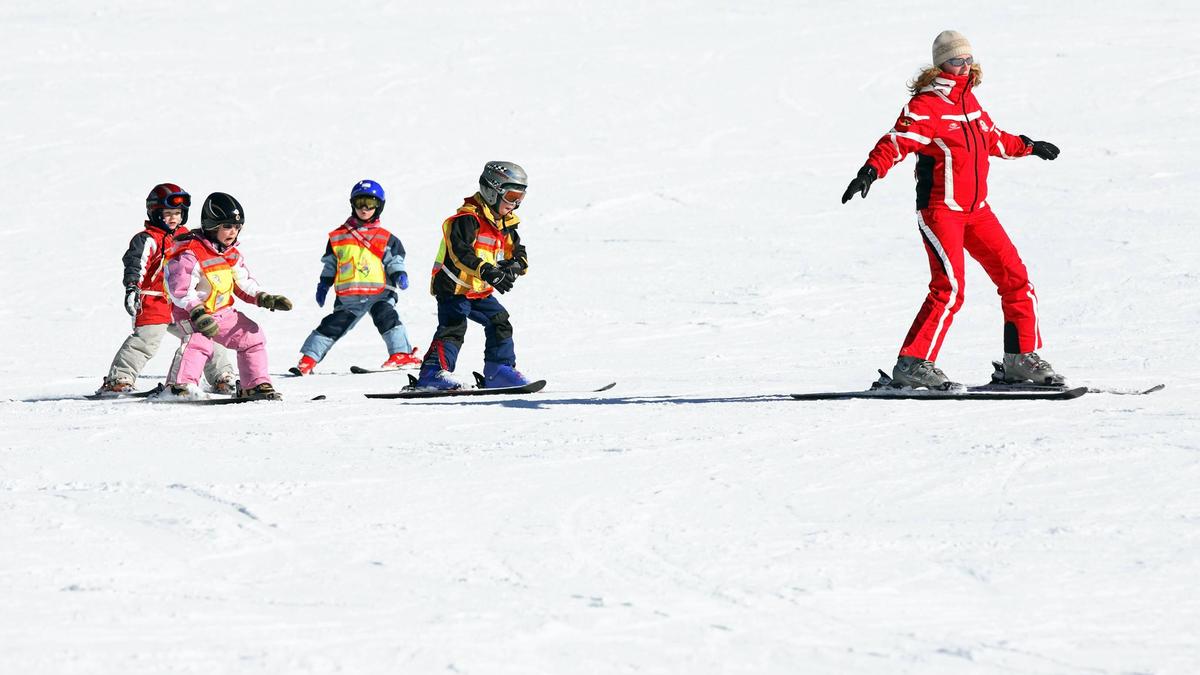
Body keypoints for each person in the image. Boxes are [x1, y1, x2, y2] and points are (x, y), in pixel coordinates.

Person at [841, 30, 1064, 389]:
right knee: (949, 288)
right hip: (940, 211)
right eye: (956, 60)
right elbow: (896, 142)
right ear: (940, 64)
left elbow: (993, 139)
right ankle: (912, 364)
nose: (964, 66)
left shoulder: (969, 103)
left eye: (968, 59)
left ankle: (1020, 359)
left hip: (977, 211)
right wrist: (869, 172)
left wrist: (1029, 145)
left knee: (1015, 277)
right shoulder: (926, 105)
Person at [97, 183, 237, 395]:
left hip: (180, 300)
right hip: (155, 300)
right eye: (168, 214)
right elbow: (136, 263)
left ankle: (222, 377)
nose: (174, 218)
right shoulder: (148, 238)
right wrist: (132, 287)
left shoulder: (188, 237)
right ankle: (119, 379)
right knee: (147, 340)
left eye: (178, 214)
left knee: (205, 333)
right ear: (155, 213)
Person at [163, 192, 292, 400]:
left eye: (237, 227)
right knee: (200, 341)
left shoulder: (230, 253)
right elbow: (180, 289)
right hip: (192, 314)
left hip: (223, 313)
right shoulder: (190, 253)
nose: (233, 232)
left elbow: (243, 283)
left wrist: (263, 297)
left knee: (252, 336)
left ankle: (254, 384)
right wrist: (197, 312)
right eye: (227, 227)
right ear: (213, 226)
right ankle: (180, 386)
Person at [415, 161, 531, 390]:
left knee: (500, 321)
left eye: (521, 197)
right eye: (511, 196)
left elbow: (518, 251)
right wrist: (487, 270)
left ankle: (499, 371)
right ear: (491, 191)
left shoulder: (504, 224)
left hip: (478, 290)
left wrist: (515, 266)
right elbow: (460, 253)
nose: (515, 204)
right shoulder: (467, 220)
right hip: (453, 287)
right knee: (454, 326)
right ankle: (431, 374)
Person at [293, 180, 419, 374]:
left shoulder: (385, 237)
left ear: (379, 206)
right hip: (350, 296)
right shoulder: (338, 236)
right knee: (333, 325)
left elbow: (394, 260)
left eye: (370, 203)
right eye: (360, 202)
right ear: (352, 203)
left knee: (386, 316)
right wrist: (323, 285)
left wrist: (400, 274)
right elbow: (331, 264)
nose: (364, 208)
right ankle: (308, 359)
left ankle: (401, 353)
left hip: (380, 292)